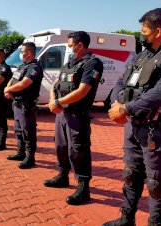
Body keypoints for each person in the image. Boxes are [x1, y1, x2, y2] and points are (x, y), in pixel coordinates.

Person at [105, 8, 161, 226]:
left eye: (144, 31)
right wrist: (117, 104)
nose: (141, 35)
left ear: (158, 30)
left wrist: (126, 109)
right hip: (133, 126)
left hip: (158, 129)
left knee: (155, 182)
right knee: (131, 173)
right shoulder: (142, 55)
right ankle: (126, 219)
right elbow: (121, 81)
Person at [43, 31, 104, 205]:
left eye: (70, 46)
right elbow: (56, 83)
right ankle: (63, 176)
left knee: (78, 151)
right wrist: (52, 100)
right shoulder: (69, 63)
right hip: (62, 114)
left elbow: (82, 91)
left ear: (80, 45)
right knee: (61, 146)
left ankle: (84, 188)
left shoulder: (92, 64)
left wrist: (58, 103)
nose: (69, 49)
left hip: (78, 115)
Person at [4, 42, 43, 169]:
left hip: (27, 105)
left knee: (28, 132)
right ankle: (20, 153)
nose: (21, 53)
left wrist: (8, 90)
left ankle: (30, 157)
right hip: (17, 104)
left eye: (22, 51)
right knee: (18, 130)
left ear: (29, 52)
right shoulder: (22, 66)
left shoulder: (34, 68)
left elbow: (24, 84)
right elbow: (13, 80)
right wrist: (8, 89)